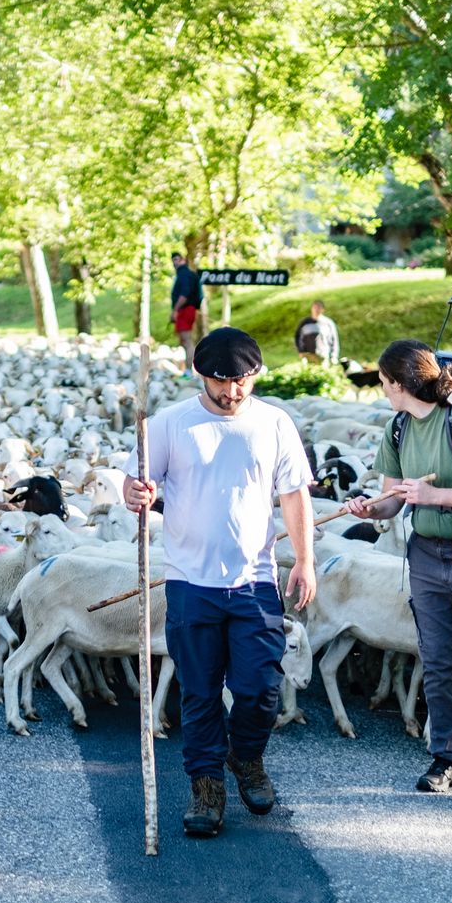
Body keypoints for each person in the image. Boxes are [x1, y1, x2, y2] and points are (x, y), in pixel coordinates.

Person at [123, 327, 315, 839]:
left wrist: (304, 559)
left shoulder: (274, 422)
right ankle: (206, 788)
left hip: (255, 579)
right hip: (191, 581)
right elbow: (135, 483)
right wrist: (137, 492)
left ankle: (246, 756)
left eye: (242, 381)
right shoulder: (169, 424)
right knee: (200, 692)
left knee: (261, 688)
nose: (232, 392)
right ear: (199, 374)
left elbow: (294, 494)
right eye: (220, 382)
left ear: (256, 374)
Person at [342, 339, 452, 809]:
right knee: (436, 659)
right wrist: (369, 507)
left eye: (383, 382)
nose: (382, 389)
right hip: (425, 551)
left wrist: (434, 496)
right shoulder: (398, 427)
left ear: (400, 384)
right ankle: (447, 759)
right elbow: (394, 500)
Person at [169, 252, 202, 378]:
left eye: (177, 259)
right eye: (173, 260)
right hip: (187, 309)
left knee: (187, 341)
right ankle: (188, 370)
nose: (175, 262)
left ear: (183, 260)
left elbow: (184, 294)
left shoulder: (184, 274)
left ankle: (189, 372)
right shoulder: (187, 274)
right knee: (184, 340)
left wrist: (175, 310)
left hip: (185, 310)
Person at [294, 300, 340, 365]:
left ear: (323, 310)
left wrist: (334, 356)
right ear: (311, 309)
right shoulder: (304, 323)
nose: (316, 310)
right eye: (315, 307)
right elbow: (297, 338)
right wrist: (301, 351)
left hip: (324, 355)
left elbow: (334, 340)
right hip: (308, 355)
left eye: (319, 308)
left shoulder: (328, 323)